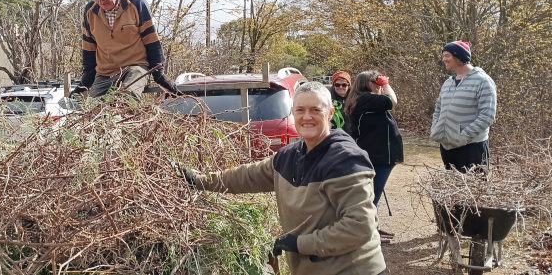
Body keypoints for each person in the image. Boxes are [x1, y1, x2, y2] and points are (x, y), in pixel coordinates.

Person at [181, 82, 386, 275]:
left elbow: (360, 226)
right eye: (300, 110)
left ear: (330, 113)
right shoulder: (290, 155)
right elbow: (246, 176)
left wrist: (298, 243)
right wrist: (198, 180)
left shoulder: (345, 159)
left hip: (353, 269)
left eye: (316, 110)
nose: (307, 117)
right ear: (292, 112)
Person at [71, 0, 180, 100]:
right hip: (105, 73)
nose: (101, 3)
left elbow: (152, 42)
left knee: (126, 99)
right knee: (93, 109)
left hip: (135, 67)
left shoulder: (136, 4)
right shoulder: (90, 11)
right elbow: (89, 51)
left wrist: (159, 76)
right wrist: (84, 83)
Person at [344, 71, 404, 243]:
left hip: (376, 155)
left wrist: (380, 85)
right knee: (372, 195)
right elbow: (392, 101)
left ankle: (373, 228)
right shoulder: (365, 100)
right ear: (367, 83)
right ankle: (369, 233)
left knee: (371, 194)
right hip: (378, 157)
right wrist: (385, 84)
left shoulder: (364, 100)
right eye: (375, 82)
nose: (379, 86)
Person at [430, 41, 497, 172]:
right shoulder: (448, 82)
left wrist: (463, 136)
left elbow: (487, 116)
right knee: (451, 189)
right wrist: (436, 129)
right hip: (447, 147)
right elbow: (438, 109)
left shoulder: (483, 81)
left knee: (474, 190)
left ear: (459, 56)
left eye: (447, 55)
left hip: (472, 147)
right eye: (443, 55)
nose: (444, 59)